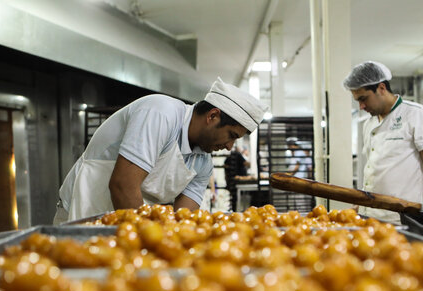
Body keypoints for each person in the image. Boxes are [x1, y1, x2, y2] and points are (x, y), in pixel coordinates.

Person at [53, 77, 268, 224]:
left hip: (129, 224)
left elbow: (183, 219)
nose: (230, 147)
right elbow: (122, 185)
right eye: (231, 136)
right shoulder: (161, 113)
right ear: (212, 116)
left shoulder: (202, 163)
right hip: (84, 213)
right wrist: (150, 242)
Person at [343, 61, 423, 223]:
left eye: (363, 99)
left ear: (381, 88)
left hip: (404, 219)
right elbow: (373, 169)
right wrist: (360, 205)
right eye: (357, 101)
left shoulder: (416, 115)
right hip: (370, 217)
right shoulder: (369, 124)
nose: (361, 106)